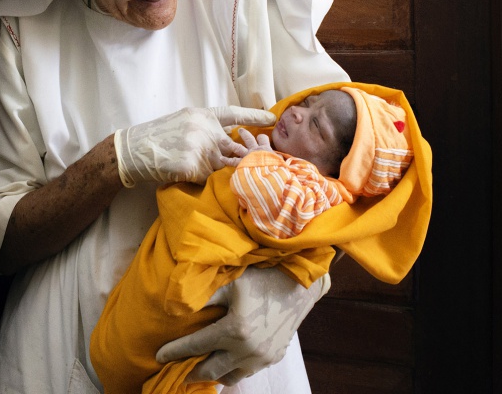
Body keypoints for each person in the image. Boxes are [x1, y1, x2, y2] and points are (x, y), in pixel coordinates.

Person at [0, 0, 356, 394]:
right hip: (64, 346)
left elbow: (366, 164)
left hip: (229, 344)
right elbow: (4, 244)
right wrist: (117, 160)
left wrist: (295, 290)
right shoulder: (26, 33)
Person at [90, 82, 433, 393]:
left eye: (317, 126)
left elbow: (276, 210)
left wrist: (256, 162)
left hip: (205, 287)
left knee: (167, 358)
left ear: (340, 170)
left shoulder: (319, 193)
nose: (298, 113)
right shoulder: (288, 162)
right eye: (309, 103)